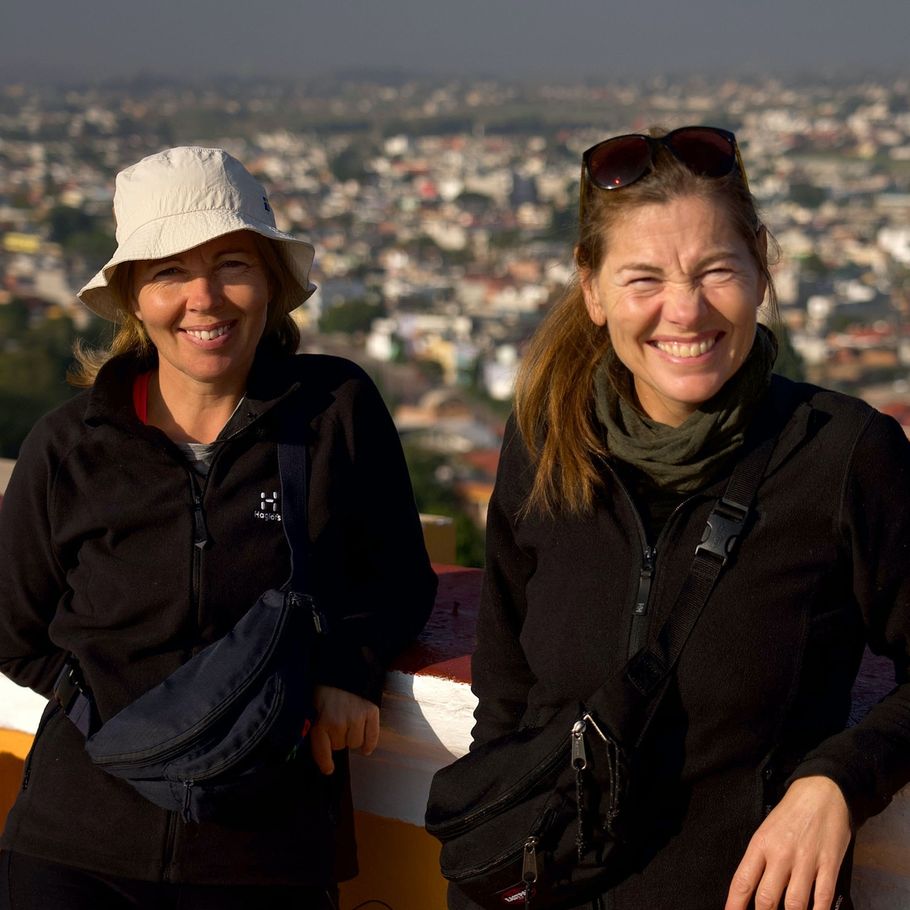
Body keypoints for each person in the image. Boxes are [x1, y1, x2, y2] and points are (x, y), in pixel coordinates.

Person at [462, 127, 910, 910]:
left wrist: (838, 780)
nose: (686, 310)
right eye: (644, 279)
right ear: (592, 291)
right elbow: (505, 699)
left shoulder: (842, 456)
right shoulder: (545, 443)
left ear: (761, 266)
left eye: (716, 271)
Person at [0, 146, 437, 909]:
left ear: (270, 283)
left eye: (232, 265)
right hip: (78, 842)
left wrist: (346, 669)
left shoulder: (334, 412)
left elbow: (398, 576)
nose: (205, 298)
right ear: (134, 297)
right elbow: (13, 623)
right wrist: (101, 700)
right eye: (169, 272)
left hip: (269, 848)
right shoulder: (72, 445)